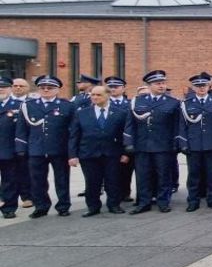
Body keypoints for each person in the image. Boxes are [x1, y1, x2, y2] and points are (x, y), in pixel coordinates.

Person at [67, 85, 133, 217]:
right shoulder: (82, 113)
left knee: (113, 181)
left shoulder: (120, 113)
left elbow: (124, 135)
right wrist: (72, 155)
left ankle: (114, 205)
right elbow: (74, 135)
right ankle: (93, 207)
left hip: (112, 154)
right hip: (89, 153)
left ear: (107, 95)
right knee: (92, 182)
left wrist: (126, 153)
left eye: (99, 95)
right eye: (93, 95)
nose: (95, 97)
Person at [15, 75, 75, 218]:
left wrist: (72, 152)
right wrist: (21, 148)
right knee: (37, 180)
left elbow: (72, 130)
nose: (46, 90)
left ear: (57, 90)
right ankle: (41, 206)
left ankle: (63, 205)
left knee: (62, 179)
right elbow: (21, 129)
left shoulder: (67, 106)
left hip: (59, 149)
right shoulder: (29, 105)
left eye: (50, 88)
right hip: (36, 149)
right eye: (42, 88)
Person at [128, 70, 180, 215]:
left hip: (163, 145)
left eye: (163, 83)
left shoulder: (173, 103)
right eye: (158, 84)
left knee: (164, 175)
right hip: (142, 145)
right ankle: (144, 202)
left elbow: (177, 125)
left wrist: (177, 144)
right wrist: (128, 142)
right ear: (149, 85)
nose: (161, 86)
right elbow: (130, 123)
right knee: (143, 175)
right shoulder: (137, 101)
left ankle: (163, 202)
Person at [177, 72, 212, 212]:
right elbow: (182, 126)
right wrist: (183, 143)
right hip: (193, 146)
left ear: (209, 86)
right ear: (193, 87)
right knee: (193, 175)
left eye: (204, 85)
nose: (201, 88)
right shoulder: (186, 104)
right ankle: (193, 201)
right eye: (198, 86)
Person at [0, 77, 24, 218]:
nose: (1, 89)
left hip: (8, 149)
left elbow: (21, 130)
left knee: (10, 181)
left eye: (4, 87)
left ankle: (9, 208)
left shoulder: (19, 105)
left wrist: (20, 148)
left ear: (10, 89)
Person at [9, 78, 33, 208]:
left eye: (21, 86)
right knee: (8, 173)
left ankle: (27, 196)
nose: (18, 88)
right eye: (15, 85)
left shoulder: (32, 103)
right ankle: (6, 197)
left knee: (25, 171)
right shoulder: (5, 103)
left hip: (26, 143)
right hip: (7, 143)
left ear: (28, 88)